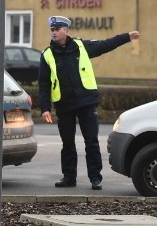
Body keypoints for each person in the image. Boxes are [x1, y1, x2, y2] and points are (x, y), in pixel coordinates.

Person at [39, 16, 140, 190]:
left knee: (91, 141)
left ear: (66, 31)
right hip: (64, 105)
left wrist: (126, 37)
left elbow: (106, 45)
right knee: (68, 143)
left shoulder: (81, 46)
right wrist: (45, 109)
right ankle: (69, 177)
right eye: (52, 30)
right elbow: (44, 84)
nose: (54, 32)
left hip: (86, 102)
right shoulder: (47, 55)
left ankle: (95, 178)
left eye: (57, 29)